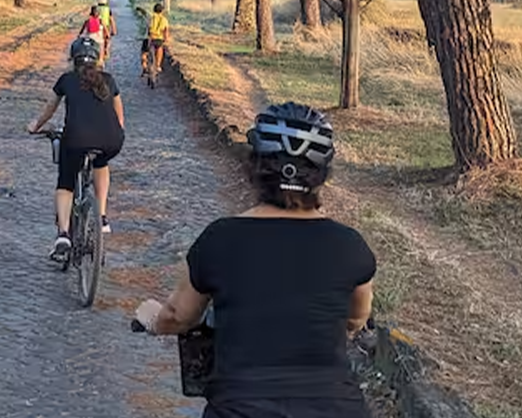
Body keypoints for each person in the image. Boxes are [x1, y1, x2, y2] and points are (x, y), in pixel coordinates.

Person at [133, 103, 375, 418]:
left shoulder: (220, 239)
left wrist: (152, 319)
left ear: (255, 166)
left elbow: (180, 316)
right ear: (322, 174)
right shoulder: (350, 246)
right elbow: (355, 320)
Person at [26, 36, 126, 260]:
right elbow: (120, 119)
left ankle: (63, 234)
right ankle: (101, 215)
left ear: (73, 59)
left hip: (76, 140)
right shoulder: (109, 80)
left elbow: (49, 110)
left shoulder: (66, 80)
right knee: (101, 162)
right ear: (98, 59)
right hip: (112, 140)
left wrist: (35, 126)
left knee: (65, 183)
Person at [142, 1, 171, 77]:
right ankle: (158, 66)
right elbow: (166, 30)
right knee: (159, 49)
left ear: (153, 10)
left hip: (149, 39)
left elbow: (147, 26)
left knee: (144, 52)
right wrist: (166, 39)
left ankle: (144, 66)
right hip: (159, 39)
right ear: (162, 11)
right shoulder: (164, 20)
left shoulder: (151, 17)